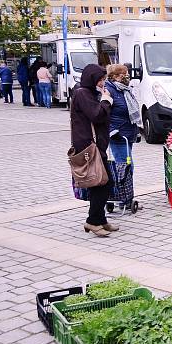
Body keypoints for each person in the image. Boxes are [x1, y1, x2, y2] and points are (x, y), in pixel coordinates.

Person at [70, 64, 115, 237]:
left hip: (96, 145)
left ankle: (100, 219)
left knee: (103, 182)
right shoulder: (83, 93)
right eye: (100, 79)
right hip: (89, 146)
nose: (103, 83)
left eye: (104, 79)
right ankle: (93, 221)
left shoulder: (90, 93)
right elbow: (96, 115)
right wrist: (105, 101)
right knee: (101, 183)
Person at [105, 63, 142, 211]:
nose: (126, 77)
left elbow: (131, 111)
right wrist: (112, 130)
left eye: (127, 74)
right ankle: (123, 198)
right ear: (114, 77)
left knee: (127, 167)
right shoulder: (110, 91)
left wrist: (136, 131)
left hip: (128, 134)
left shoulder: (124, 90)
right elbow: (105, 113)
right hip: (118, 136)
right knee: (125, 168)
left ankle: (125, 197)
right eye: (123, 75)